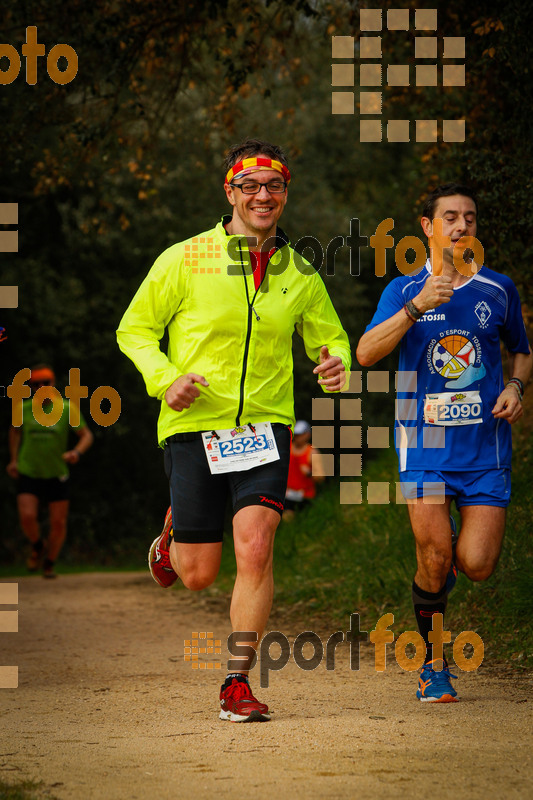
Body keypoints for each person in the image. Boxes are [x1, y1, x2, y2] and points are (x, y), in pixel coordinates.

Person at [117, 138, 351, 722]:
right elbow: (134, 330)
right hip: (195, 424)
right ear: (230, 193)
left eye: (273, 186)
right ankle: (174, 536)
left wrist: (333, 362)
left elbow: (330, 338)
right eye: (250, 186)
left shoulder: (299, 272)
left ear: (285, 194)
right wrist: (165, 378)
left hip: (265, 427)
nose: (262, 196)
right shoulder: (185, 258)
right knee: (197, 577)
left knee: (256, 544)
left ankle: (236, 683)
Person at [356, 183, 532, 702]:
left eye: (470, 218)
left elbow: (522, 351)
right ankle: (434, 664)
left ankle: (443, 569)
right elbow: (365, 353)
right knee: (435, 557)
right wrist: (416, 306)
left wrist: (517, 386)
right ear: (428, 228)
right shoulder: (403, 289)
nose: (461, 226)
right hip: (424, 448)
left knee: (475, 565)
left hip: (485, 450)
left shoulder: (498, 290)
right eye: (450, 217)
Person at [6, 364, 94, 578]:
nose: (42, 387)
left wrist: (76, 453)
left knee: (58, 522)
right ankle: (37, 545)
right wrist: (14, 460)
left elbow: (86, 436)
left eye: (46, 383)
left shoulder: (66, 408)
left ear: (53, 384)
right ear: (31, 387)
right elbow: (15, 432)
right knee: (27, 516)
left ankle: (49, 563)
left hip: (57, 472)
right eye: (37, 384)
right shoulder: (23, 409)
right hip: (29, 470)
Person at [283, 419, 325, 520]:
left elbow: (321, 478)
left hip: (305, 495)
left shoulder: (312, 452)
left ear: (307, 435)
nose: (297, 437)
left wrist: (309, 473)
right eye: (296, 434)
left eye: (300, 434)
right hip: (286, 494)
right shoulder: (287, 448)